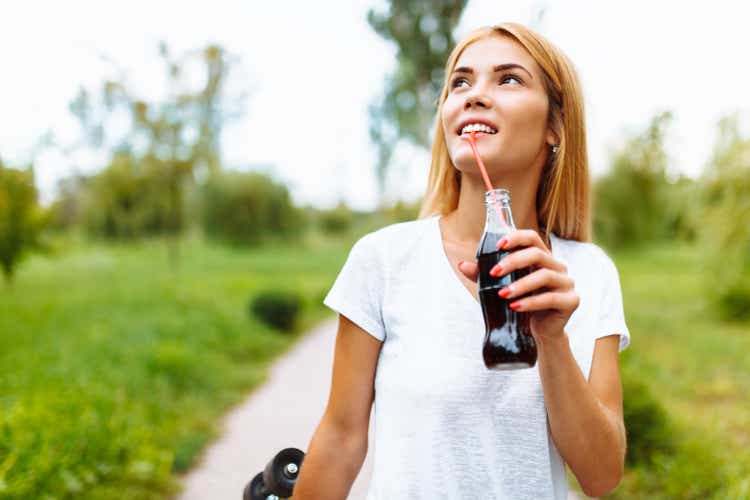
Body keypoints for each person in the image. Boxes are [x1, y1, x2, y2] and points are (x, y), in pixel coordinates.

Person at [293, 22, 630, 500]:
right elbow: (342, 438)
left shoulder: (590, 273)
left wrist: (551, 338)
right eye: (460, 82)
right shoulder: (383, 259)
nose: (474, 96)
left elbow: (601, 475)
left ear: (555, 126)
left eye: (508, 79)